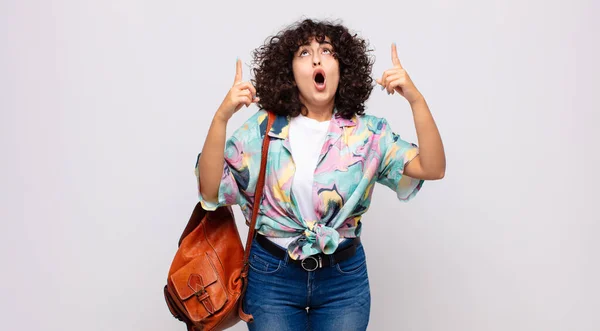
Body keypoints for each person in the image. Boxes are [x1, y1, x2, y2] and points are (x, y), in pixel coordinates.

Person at [195, 18, 446, 331]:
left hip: (343, 281)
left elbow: (433, 168)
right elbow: (209, 190)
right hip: (272, 276)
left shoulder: (369, 134)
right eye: (304, 52)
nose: (316, 58)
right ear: (289, 72)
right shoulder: (264, 129)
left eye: (326, 51)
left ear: (341, 68)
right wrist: (221, 118)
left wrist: (415, 98)